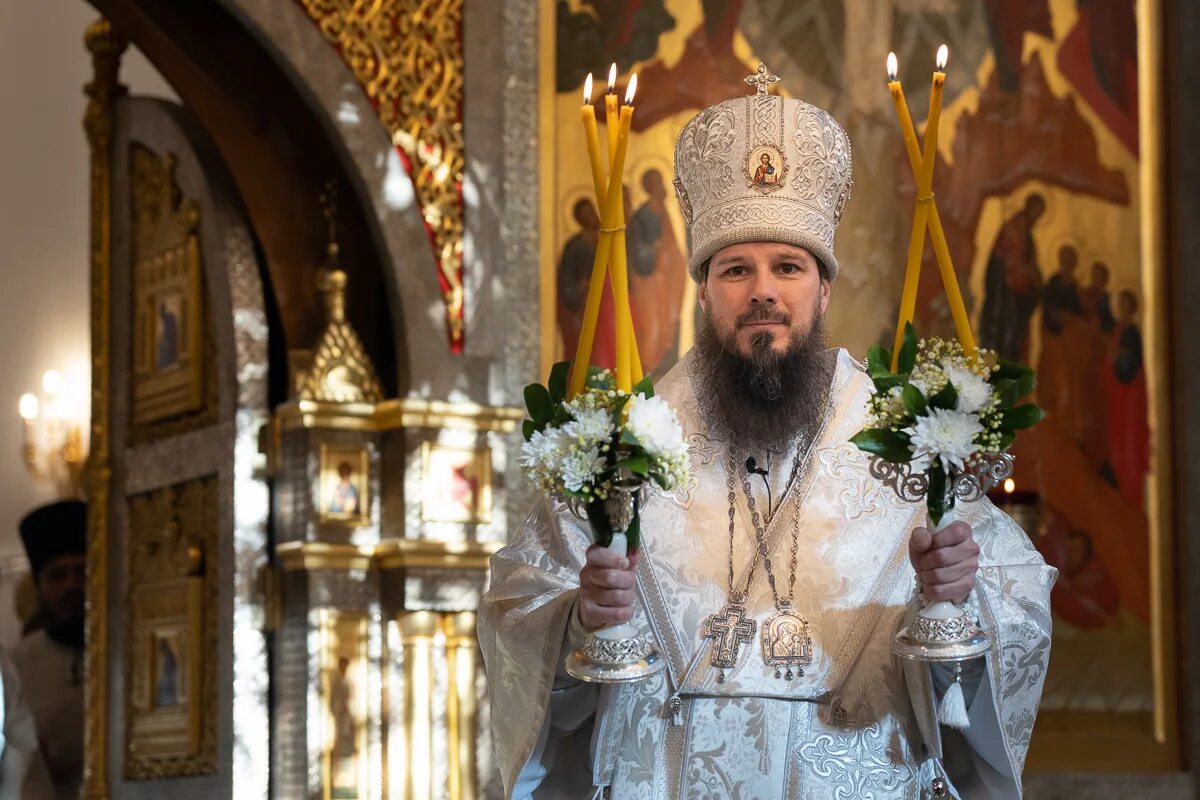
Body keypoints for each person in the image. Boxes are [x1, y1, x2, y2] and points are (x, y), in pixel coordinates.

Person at [481, 73, 1055, 799]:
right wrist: (579, 619)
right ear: (703, 288)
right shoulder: (625, 442)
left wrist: (957, 597)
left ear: (824, 289)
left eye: (787, 267)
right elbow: (519, 602)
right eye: (735, 270)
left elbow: (1018, 599)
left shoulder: (907, 441)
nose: (763, 291)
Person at [12, 500, 86, 800]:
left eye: (81, 571)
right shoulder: (17, 664)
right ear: (39, 586)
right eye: (57, 575)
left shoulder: (130, 653)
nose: (71, 585)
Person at [978, 194, 1046, 361]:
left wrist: (1036, 278)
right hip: (1005, 294)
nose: (1037, 217)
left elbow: (1028, 261)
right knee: (1004, 337)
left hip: (1016, 294)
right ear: (1029, 207)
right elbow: (1011, 263)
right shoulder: (1014, 228)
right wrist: (1028, 273)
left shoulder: (1025, 231)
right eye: (1037, 211)